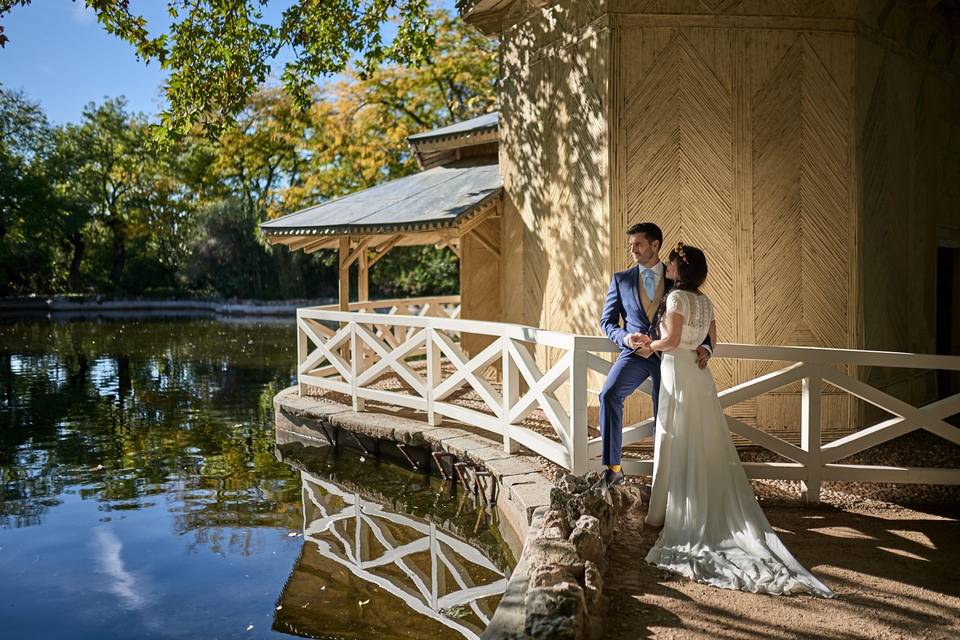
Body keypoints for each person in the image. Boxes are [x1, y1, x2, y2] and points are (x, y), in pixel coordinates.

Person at [638, 242, 834, 597]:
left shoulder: (677, 300)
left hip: (679, 373)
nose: (667, 265)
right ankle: (689, 507)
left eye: (671, 263)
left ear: (680, 270)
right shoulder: (705, 301)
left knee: (674, 437)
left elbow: (672, 340)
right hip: (699, 375)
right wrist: (707, 350)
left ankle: (665, 516)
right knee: (703, 440)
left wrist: (647, 344)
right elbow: (713, 338)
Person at [596, 223, 712, 489]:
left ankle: (667, 479)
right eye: (631, 245)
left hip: (670, 357)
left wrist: (707, 346)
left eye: (638, 244)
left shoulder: (676, 276)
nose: (633, 250)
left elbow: (698, 311)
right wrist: (625, 338)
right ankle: (613, 468)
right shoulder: (621, 279)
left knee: (667, 413)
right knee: (609, 394)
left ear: (655, 245)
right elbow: (607, 322)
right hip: (635, 354)